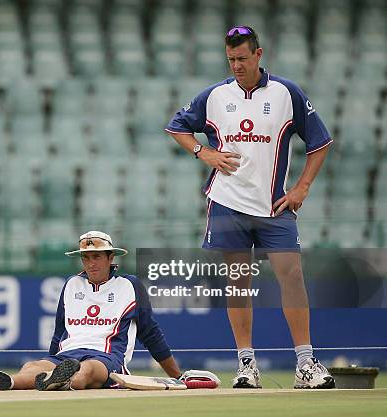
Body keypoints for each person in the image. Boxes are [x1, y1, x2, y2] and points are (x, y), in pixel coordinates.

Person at [165, 26, 335, 389]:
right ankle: (246, 365)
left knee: (292, 277)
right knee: (238, 283)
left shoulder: (286, 93)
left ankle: (306, 363)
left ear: (259, 55)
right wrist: (203, 152)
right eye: (231, 60)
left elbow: (320, 142)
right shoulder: (214, 95)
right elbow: (177, 127)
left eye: (243, 58)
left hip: (275, 206)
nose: (237, 66)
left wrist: (302, 187)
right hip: (227, 203)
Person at [0, 231, 193, 390]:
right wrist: (49, 359)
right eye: (86, 258)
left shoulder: (129, 285)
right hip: (66, 354)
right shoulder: (71, 284)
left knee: (87, 370)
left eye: (97, 257)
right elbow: (59, 333)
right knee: (32, 367)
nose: (91, 263)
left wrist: (176, 375)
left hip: (106, 357)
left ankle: (59, 381)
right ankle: (5, 381)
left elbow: (151, 333)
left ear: (111, 258)